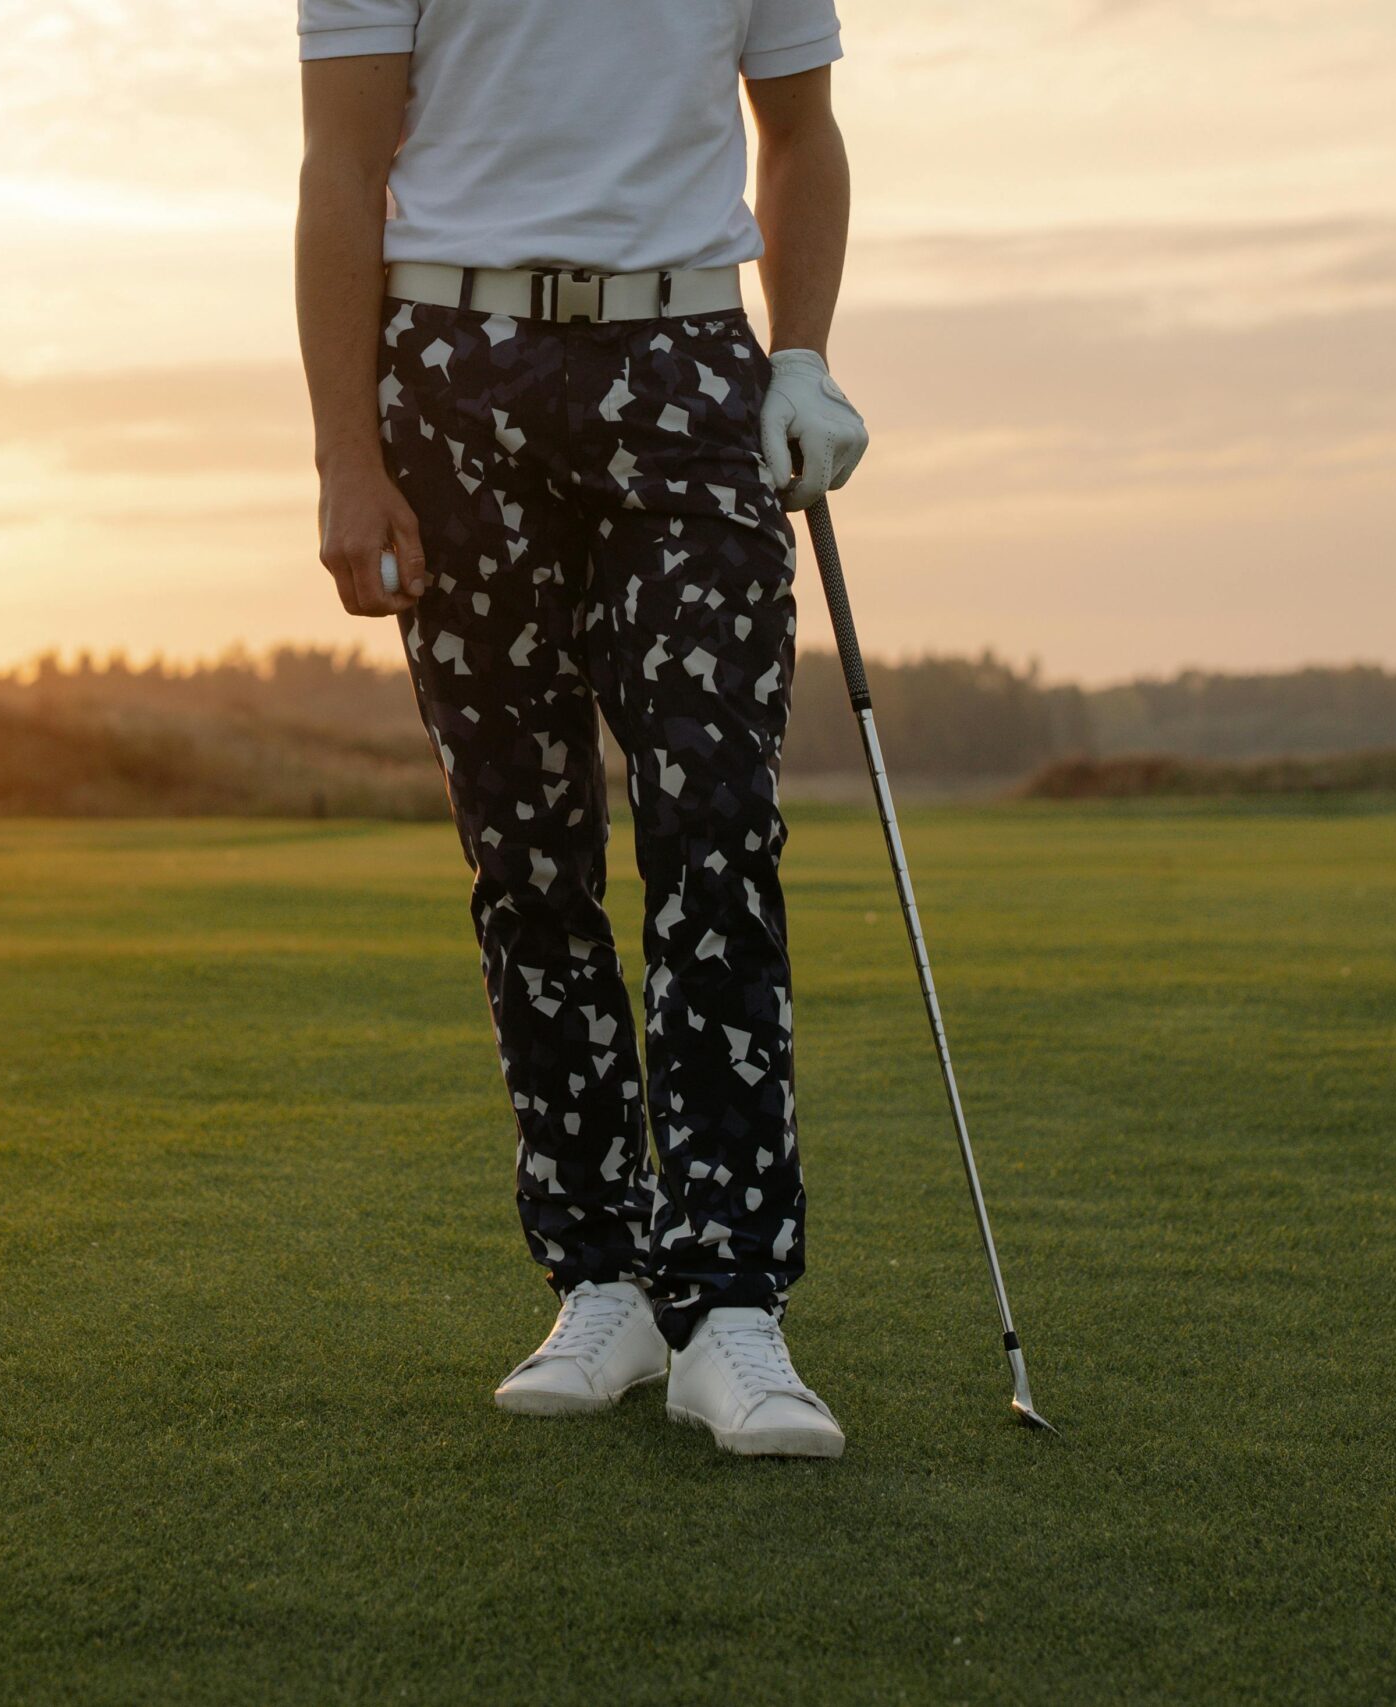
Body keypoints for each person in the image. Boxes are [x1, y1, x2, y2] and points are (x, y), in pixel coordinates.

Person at [293, 0, 869, 1458]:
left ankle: (728, 1303)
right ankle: (601, 1278)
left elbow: (800, 133)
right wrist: (346, 458)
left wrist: (801, 357)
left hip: (687, 368)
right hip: (453, 380)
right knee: (526, 856)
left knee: (715, 828)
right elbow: (339, 168)